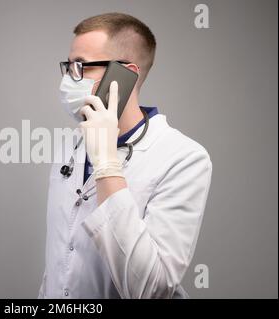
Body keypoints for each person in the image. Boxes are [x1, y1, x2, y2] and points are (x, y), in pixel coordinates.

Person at [38, 12, 212, 299]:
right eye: (69, 67)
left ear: (124, 75)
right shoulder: (70, 144)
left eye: (82, 67)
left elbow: (150, 288)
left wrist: (106, 162)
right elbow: (57, 262)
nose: (70, 79)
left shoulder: (185, 158)